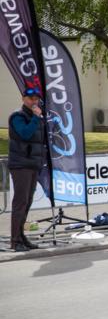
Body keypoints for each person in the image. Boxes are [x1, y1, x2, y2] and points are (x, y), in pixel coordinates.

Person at [8, 87, 45, 252]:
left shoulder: (35, 116)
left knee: (27, 202)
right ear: (23, 99)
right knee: (20, 202)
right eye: (30, 99)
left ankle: (21, 236)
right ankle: (15, 241)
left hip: (32, 164)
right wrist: (37, 118)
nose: (34, 101)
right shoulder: (18, 116)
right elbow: (25, 134)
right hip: (20, 165)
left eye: (36, 99)